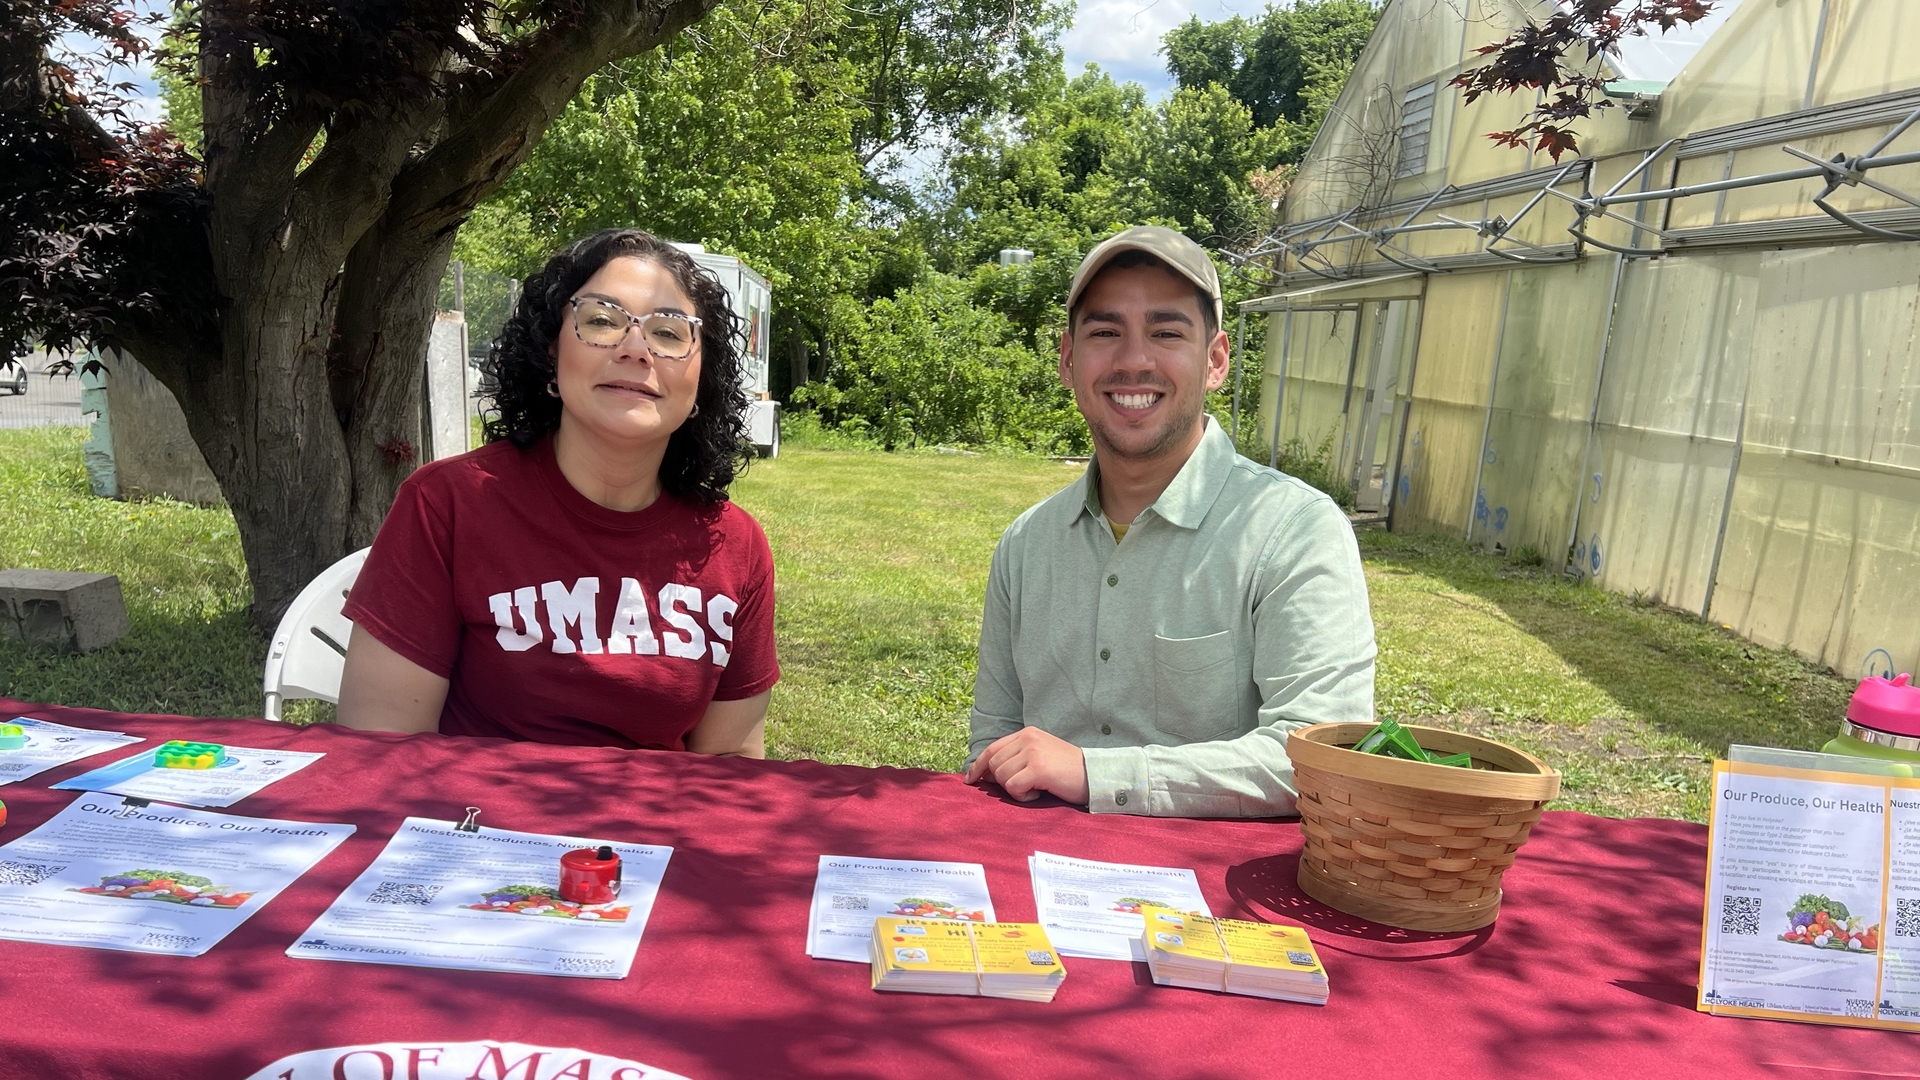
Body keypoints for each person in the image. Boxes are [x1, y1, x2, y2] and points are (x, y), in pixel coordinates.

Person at [963, 225, 1376, 817]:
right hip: (1034, 878)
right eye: (1106, 332)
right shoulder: (1028, 544)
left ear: (1215, 361)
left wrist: (1096, 774)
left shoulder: (1294, 532)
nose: (1134, 360)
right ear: (1067, 360)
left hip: (1215, 898)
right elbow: (992, 745)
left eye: (1165, 332)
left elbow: (1324, 758)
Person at [335, 228, 778, 756]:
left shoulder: (735, 545)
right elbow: (380, 745)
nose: (636, 349)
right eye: (601, 321)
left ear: (701, 378)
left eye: (668, 333)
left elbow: (730, 768)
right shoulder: (449, 504)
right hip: (474, 829)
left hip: (649, 835)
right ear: (551, 350)